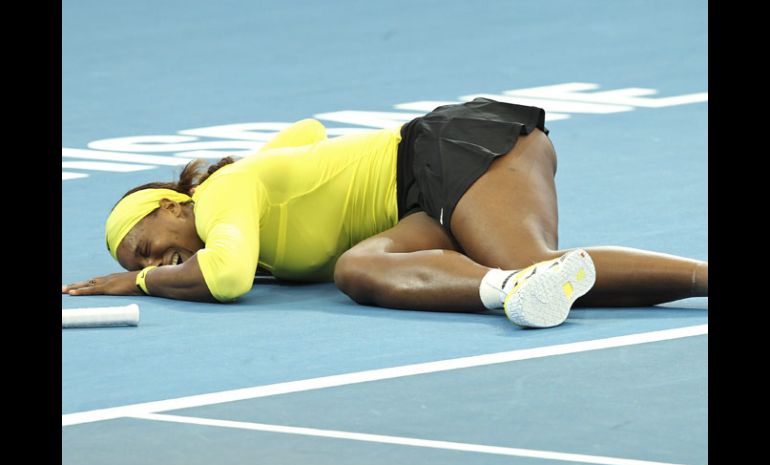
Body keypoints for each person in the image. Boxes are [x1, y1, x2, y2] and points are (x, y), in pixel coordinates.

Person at [61, 98, 708, 328]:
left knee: (532, 258)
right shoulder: (241, 192)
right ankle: (506, 291)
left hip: (453, 150)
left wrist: (139, 282)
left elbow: (226, 278)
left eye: (146, 244)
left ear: (172, 204)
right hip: (421, 205)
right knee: (358, 267)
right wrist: (269, 168)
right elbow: (309, 130)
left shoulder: (217, 198)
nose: (158, 258)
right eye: (140, 260)